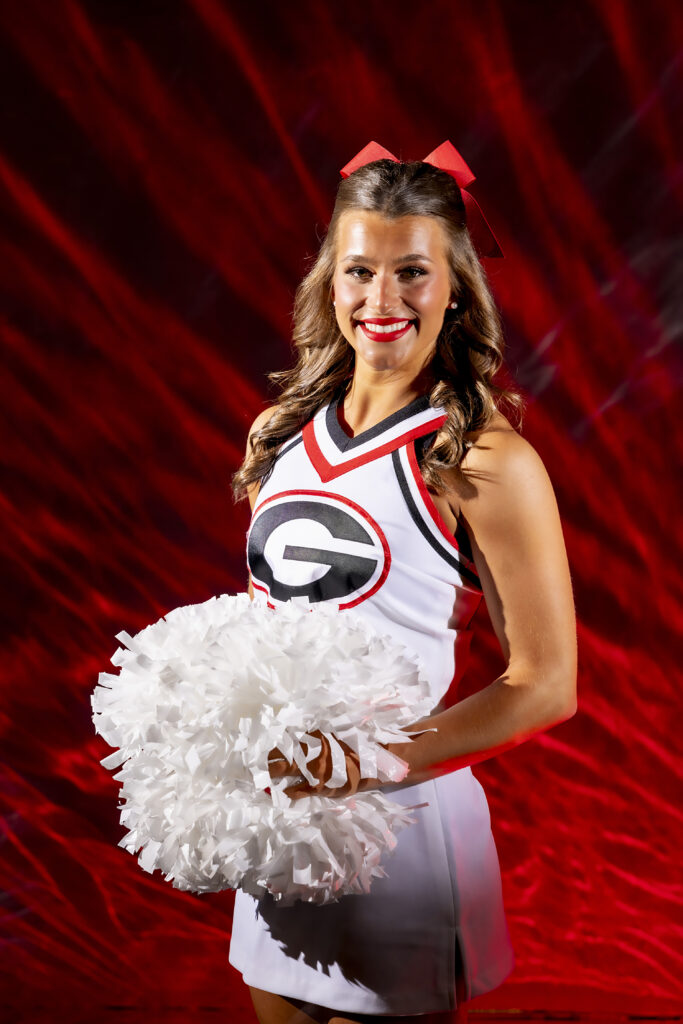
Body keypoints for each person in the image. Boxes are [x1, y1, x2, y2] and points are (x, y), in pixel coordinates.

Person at [228, 141, 578, 1024]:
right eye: (359, 271)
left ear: (455, 285)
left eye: (412, 272)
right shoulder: (280, 431)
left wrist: (361, 763)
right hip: (279, 834)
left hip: (400, 837)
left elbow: (547, 685)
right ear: (328, 281)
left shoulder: (485, 460)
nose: (381, 301)